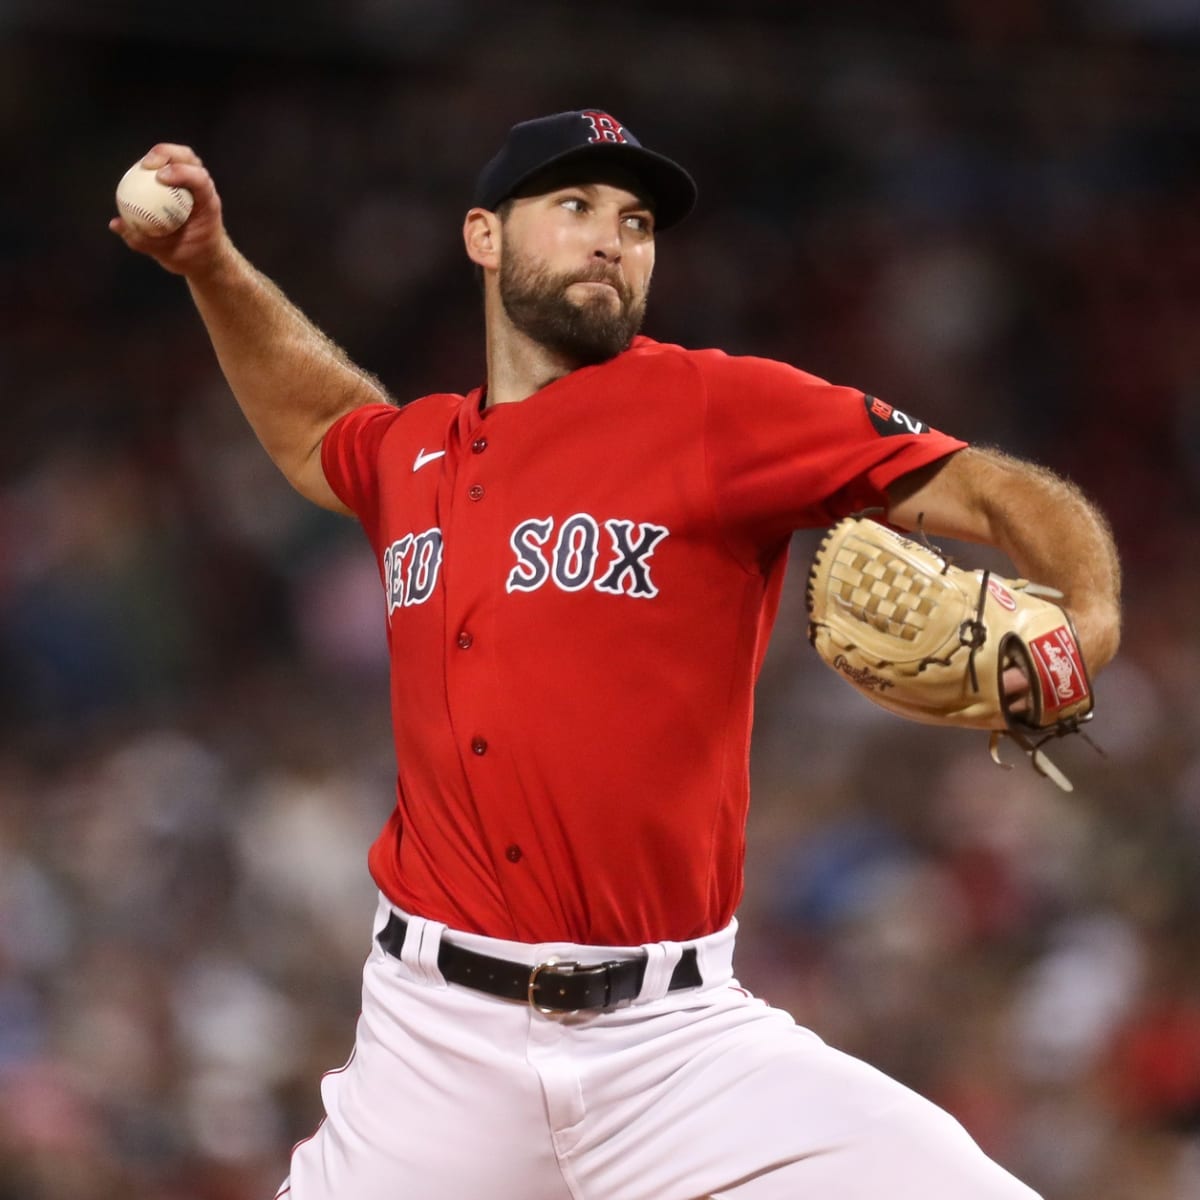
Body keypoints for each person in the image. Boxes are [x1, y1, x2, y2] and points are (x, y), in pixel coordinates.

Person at [112, 109, 1121, 1200]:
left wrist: (1093, 617)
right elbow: (316, 429)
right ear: (483, 238)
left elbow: (988, 485)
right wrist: (210, 265)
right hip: (433, 1050)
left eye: (636, 221)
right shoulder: (416, 454)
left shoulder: (713, 406)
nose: (612, 238)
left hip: (678, 1048)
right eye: (574, 206)